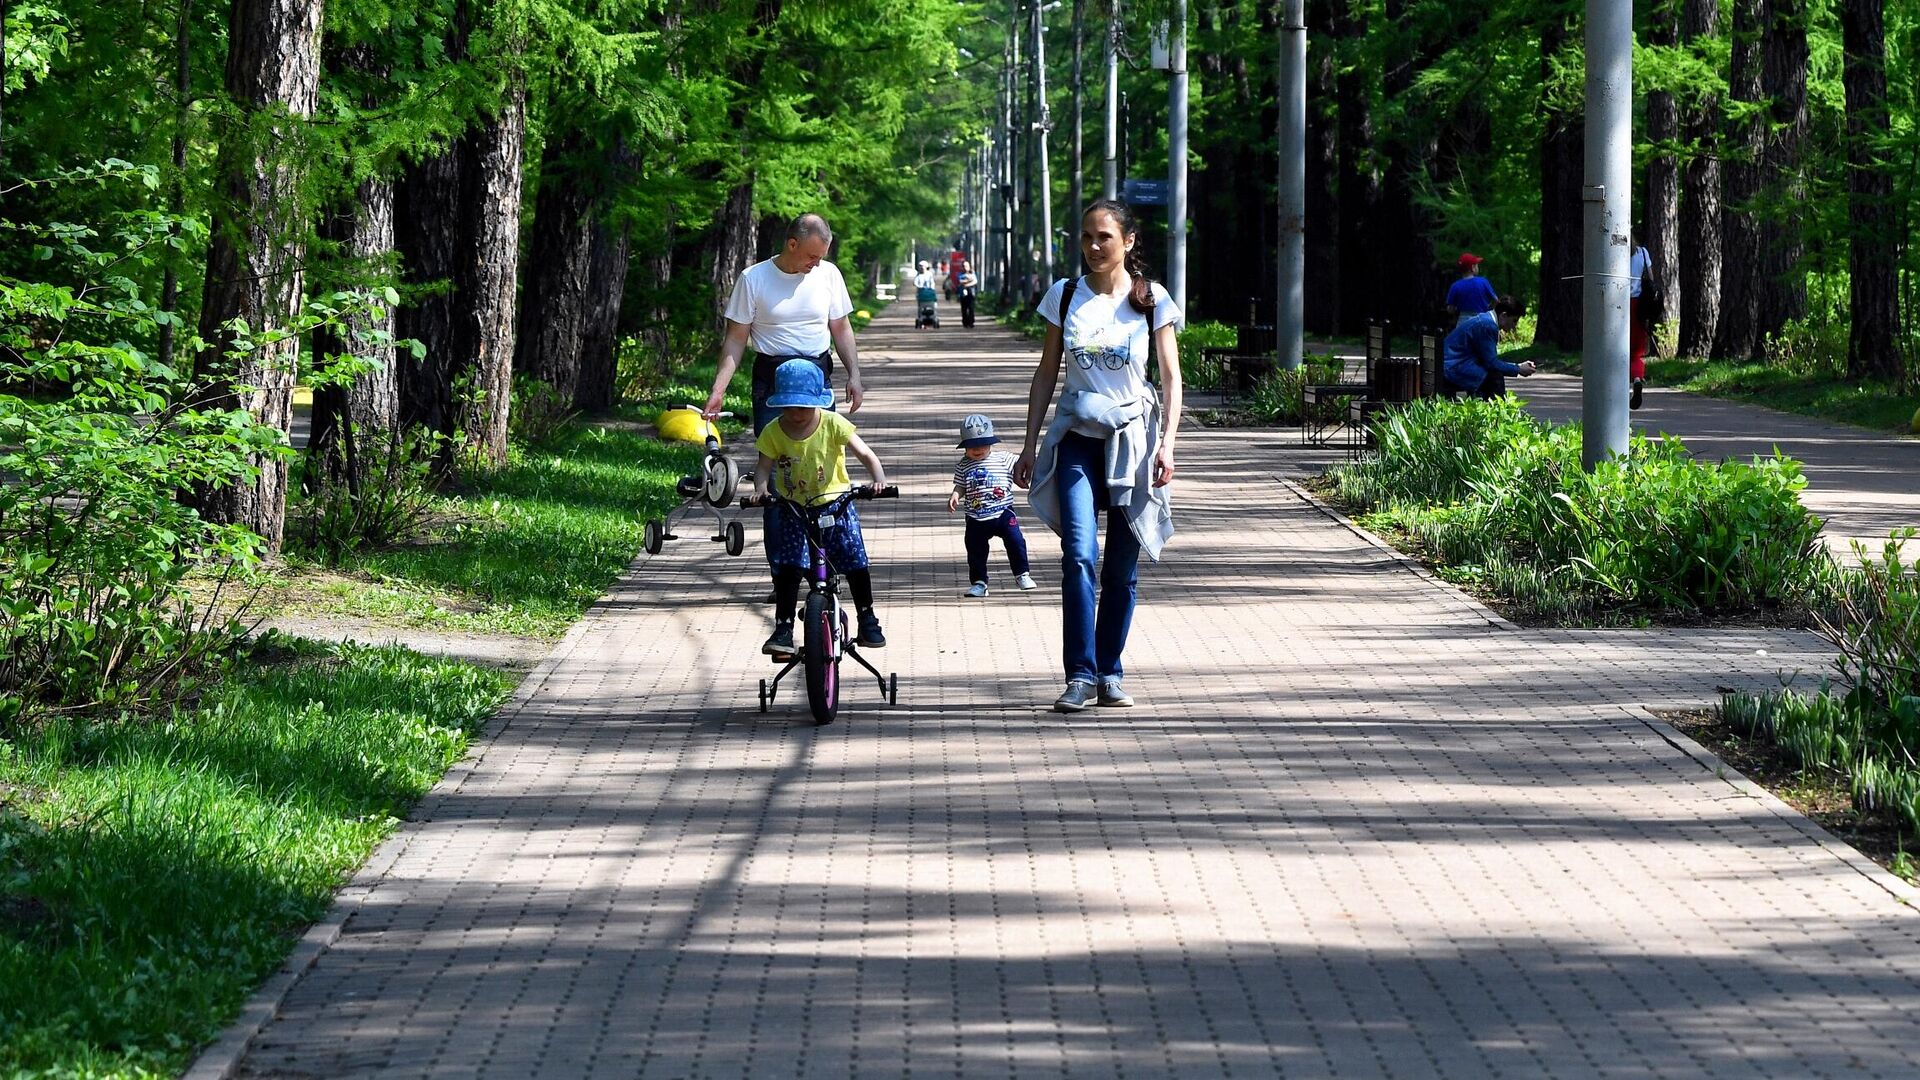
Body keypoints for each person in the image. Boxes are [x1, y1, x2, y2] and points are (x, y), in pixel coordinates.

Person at [1013, 199, 1181, 713]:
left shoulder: (1150, 299)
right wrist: (1028, 443)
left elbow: (1171, 377)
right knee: (1079, 555)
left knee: (1121, 570)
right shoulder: (1065, 297)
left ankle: (1110, 670)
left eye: (1104, 237)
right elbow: (1046, 374)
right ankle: (1080, 675)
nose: (1092, 246)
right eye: (1086, 237)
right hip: (1078, 440)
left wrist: (1169, 442)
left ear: (1128, 241)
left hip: (1134, 441)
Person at [752, 359, 889, 656]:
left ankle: (867, 617)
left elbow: (865, 454)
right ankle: (784, 627)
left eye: (803, 407)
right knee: (789, 567)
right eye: (789, 407)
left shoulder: (833, 423)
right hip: (794, 507)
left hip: (835, 503)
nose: (796, 414)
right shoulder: (773, 432)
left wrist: (878, 481)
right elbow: (763, 468)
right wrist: (761, 490)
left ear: (817, 403)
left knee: (854, 559)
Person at [703, 213, 864, 435]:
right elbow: (735, 339)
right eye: (812, 256)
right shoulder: (753, 279)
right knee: (771, 460)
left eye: (821, 257)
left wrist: (854, 375)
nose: (817, 264)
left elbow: (842, 328)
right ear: (792, 244)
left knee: (821, 457)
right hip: (771, 383)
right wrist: (718, 391)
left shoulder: (829, 274)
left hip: (816, 381)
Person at [949, 414, 1036, 597]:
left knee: (1016, 541)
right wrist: (955, 495)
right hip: (975, 517)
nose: (977, 449)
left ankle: (1022, 574)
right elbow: (961, 485)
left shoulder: (1004, 459)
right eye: (972, 446)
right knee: (975, 550)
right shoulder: (963, 465)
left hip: (1003, 513)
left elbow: (1023, 466)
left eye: (982, 444)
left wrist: (1032, 476)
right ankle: (979, 583)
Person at [1441, 295, 1536, 399]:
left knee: (1489, 374)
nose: (1514, 326)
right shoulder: (1487, 326)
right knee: (1494, 377)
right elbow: (1492, 363)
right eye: (1514, 320)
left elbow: (1488, 360)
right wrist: (1518, 369)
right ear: (1504, 315)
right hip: (1450, 370)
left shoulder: (1485, 319)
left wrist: (1518, 366)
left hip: (1446, 366)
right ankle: (1496, 412)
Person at [1629, 237, 1653, 410]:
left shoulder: (1616, 252)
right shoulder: (1643, 252)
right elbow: (1650, 279)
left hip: (1617, 304)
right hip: (1639, 304)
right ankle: (1637, 378)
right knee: (1636, 351)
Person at [1445, 252, 1499, 325]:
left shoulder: (1455, 286)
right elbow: (1495, 300)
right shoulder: (1483, 282)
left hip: (1463, 322)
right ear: (1472, 268)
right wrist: (1489, 309)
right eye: (1476, 265)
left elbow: (1450, 309)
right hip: (1481, 320)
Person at [956, 264, 980, 328]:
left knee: (971, 308)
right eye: (963, 266)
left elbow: (975, 281)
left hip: (971, 293)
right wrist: (970, 279)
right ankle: (965, 322)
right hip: (962, 294)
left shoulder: (972, 273)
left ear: (969, 267)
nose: (965, 267)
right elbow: (960, 281)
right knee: (964, 309)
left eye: (966, 266)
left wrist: (966, 283)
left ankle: (971, 322)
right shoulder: (959, 274)